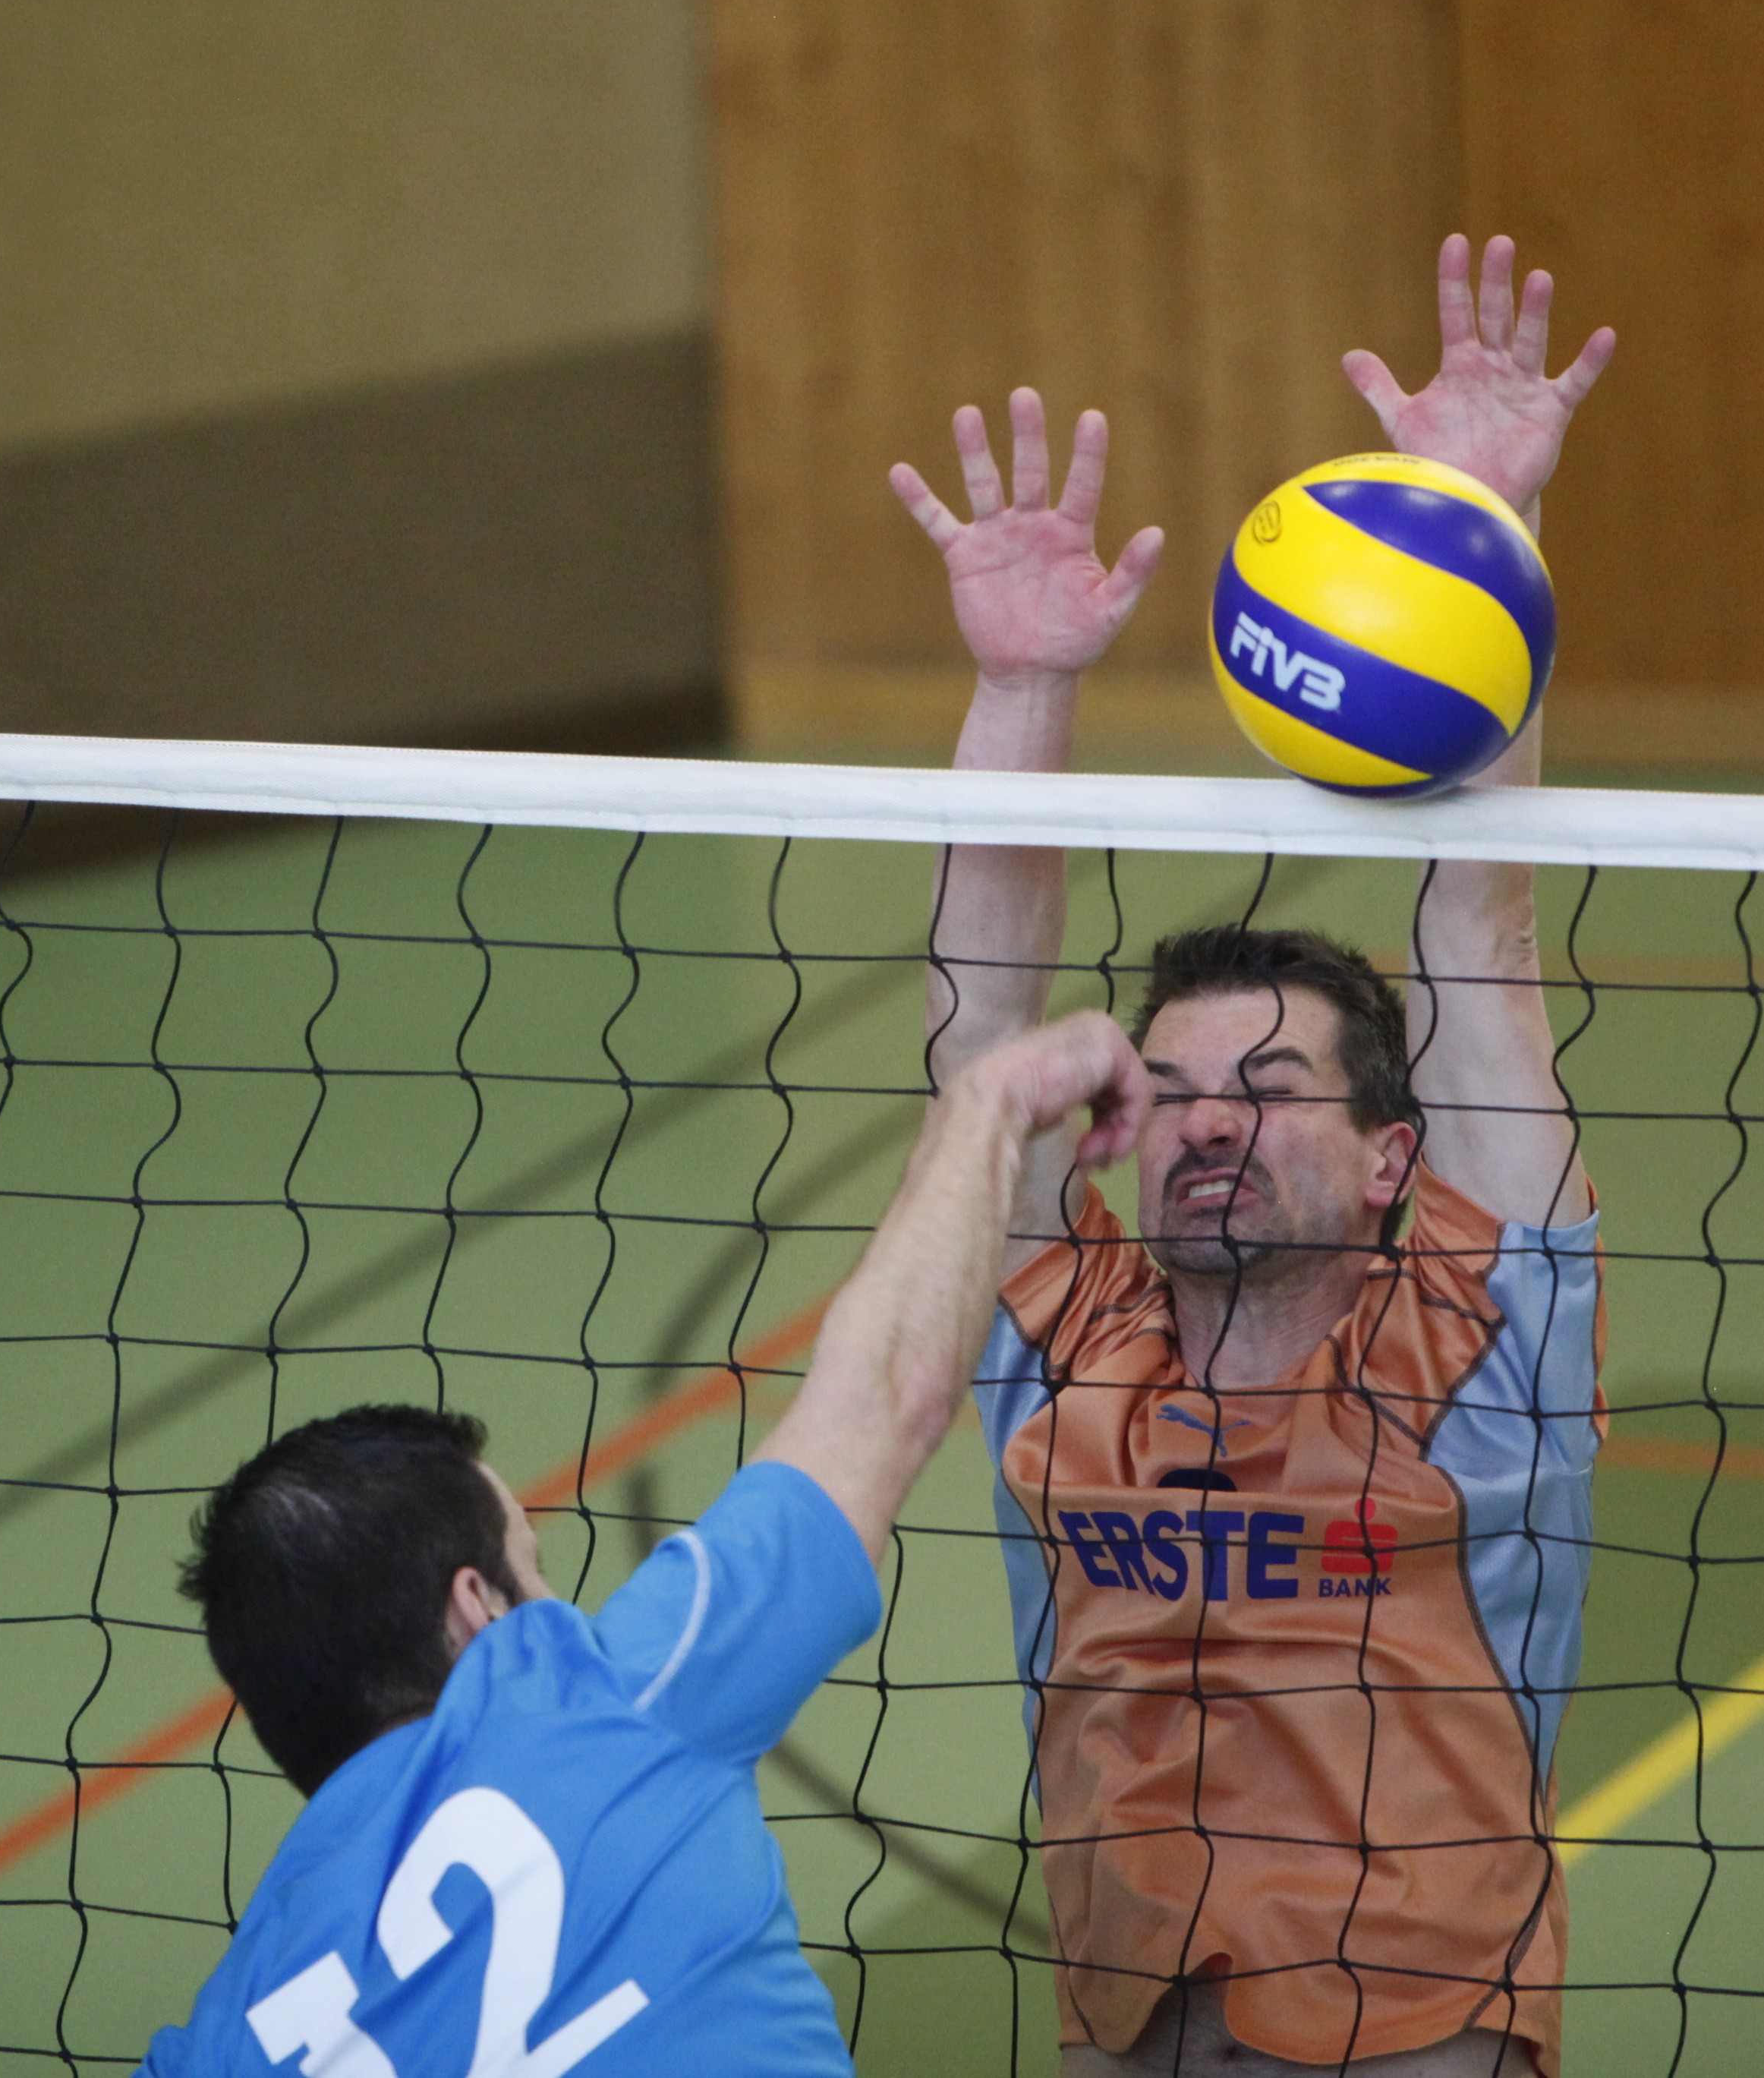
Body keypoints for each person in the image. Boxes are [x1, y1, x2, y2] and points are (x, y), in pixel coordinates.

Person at [890, 234, 1618, 2078]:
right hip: (1128, 2030)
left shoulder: (1483, 1334)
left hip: (1421, 2034)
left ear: (1393, 1160)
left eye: (1272, 1086)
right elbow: (981, 1039)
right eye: (1176, 1090)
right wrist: (1023, 691)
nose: (1211, 1119)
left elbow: (1483, 938)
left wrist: (1476, 534)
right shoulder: (1067, 1339)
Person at [133, 1010, 1149, 2078]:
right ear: (476, 1609)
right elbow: (887, 1394)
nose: (558, 1604)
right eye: (532, 1566)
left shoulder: (214, 2043)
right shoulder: (603, 1702)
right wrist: (992, 1096)